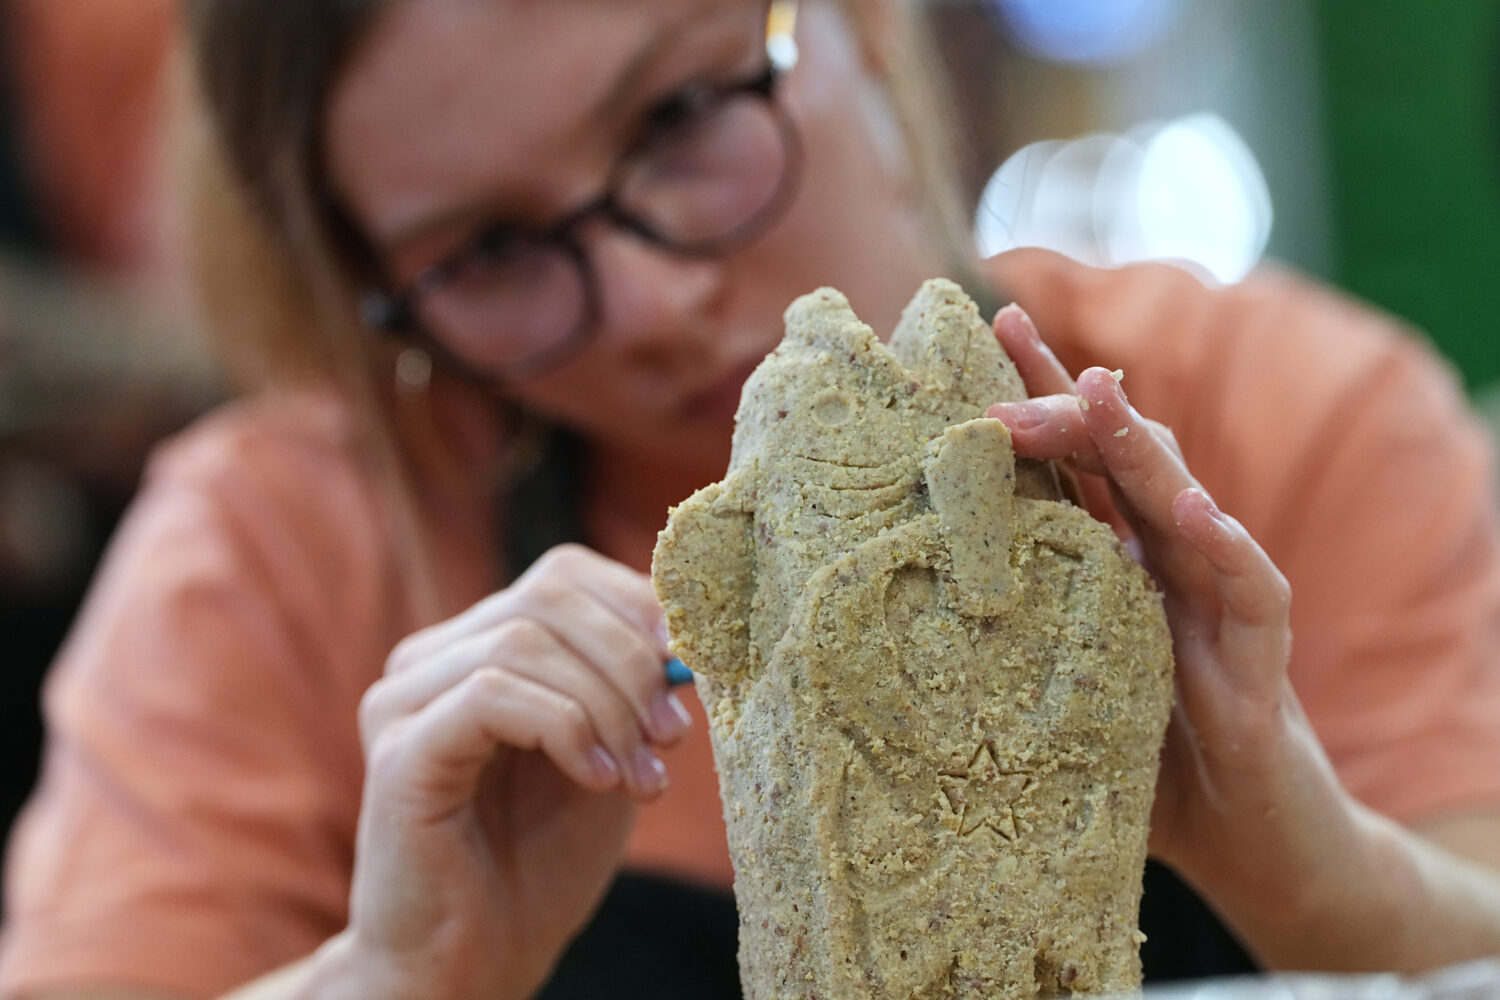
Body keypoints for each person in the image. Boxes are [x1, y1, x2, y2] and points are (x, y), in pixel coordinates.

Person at [3, 1, 1500, 998]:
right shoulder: (273, 546)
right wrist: (385, 978)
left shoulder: (1288, 416)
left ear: (851, 26)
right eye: (488, 252)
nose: (649, 298)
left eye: (677, 118)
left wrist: (1323, 876)